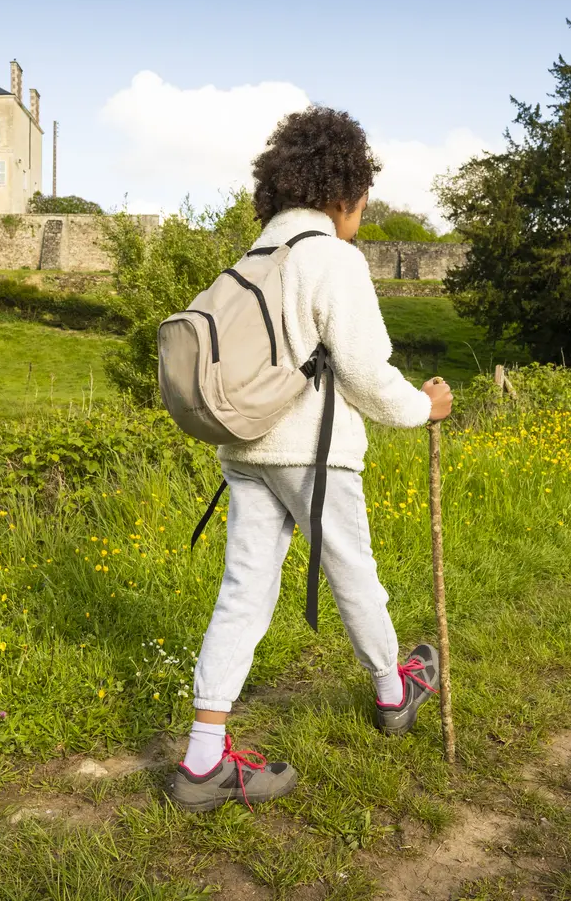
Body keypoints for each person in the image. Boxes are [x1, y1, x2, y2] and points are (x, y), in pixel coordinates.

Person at [170, 106, 454, 813]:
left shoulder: (249, 261)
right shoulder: (331, 257)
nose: (361, 215)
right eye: (361, 202)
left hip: (245, 449)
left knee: (243, 591)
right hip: (313, 454)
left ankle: (203, 759)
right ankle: (395, 691)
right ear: (340, 195)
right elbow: (363, 370)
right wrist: (426, 408)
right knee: (354, 573)